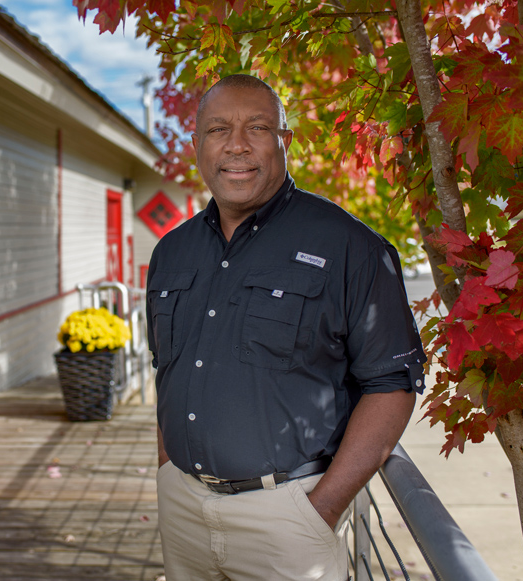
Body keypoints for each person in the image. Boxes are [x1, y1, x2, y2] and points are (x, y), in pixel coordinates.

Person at [146, 74, 426, 581]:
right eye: (217, 130)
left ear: (285, 141)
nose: (236, 145)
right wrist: (168, 468)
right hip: (182, 506)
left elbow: (392, 385)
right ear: (196, 146)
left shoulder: (350, 247)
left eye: (257, 127)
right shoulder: (171, 252)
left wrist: (321, 508)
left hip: (289, 517)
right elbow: (166, 367)